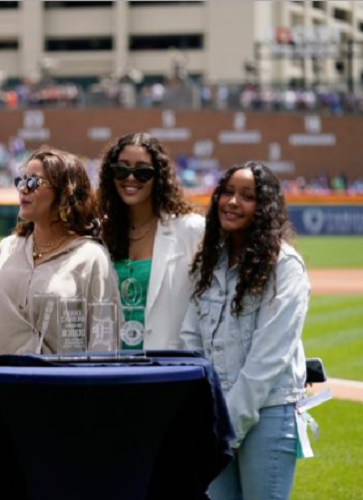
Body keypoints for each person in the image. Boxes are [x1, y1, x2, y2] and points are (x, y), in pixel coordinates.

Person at [180, 161, 310, 500]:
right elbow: (190, 341)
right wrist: (204, 417)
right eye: (227, 192)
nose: (233, 202)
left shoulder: (285, 266)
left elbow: (269, 358)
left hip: (267, 412)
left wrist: (229, 429)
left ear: (264, 207)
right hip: (216, 418)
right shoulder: (209, 262)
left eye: (247, 196)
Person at [0, 149, 121, 356]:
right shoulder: (7, 248)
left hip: (60, 384)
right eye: (22, 180)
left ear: (66, 192)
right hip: (3, 383)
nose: (23, 189)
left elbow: (105, 342)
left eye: (34, 183)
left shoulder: (92, 257)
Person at [97, 132, 204, 350]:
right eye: (121, 169)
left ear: (160, 177)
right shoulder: (99, 234)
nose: (131, 178)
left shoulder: (191, 229)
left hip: (167, 370)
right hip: (110, 368)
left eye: (143, 172)